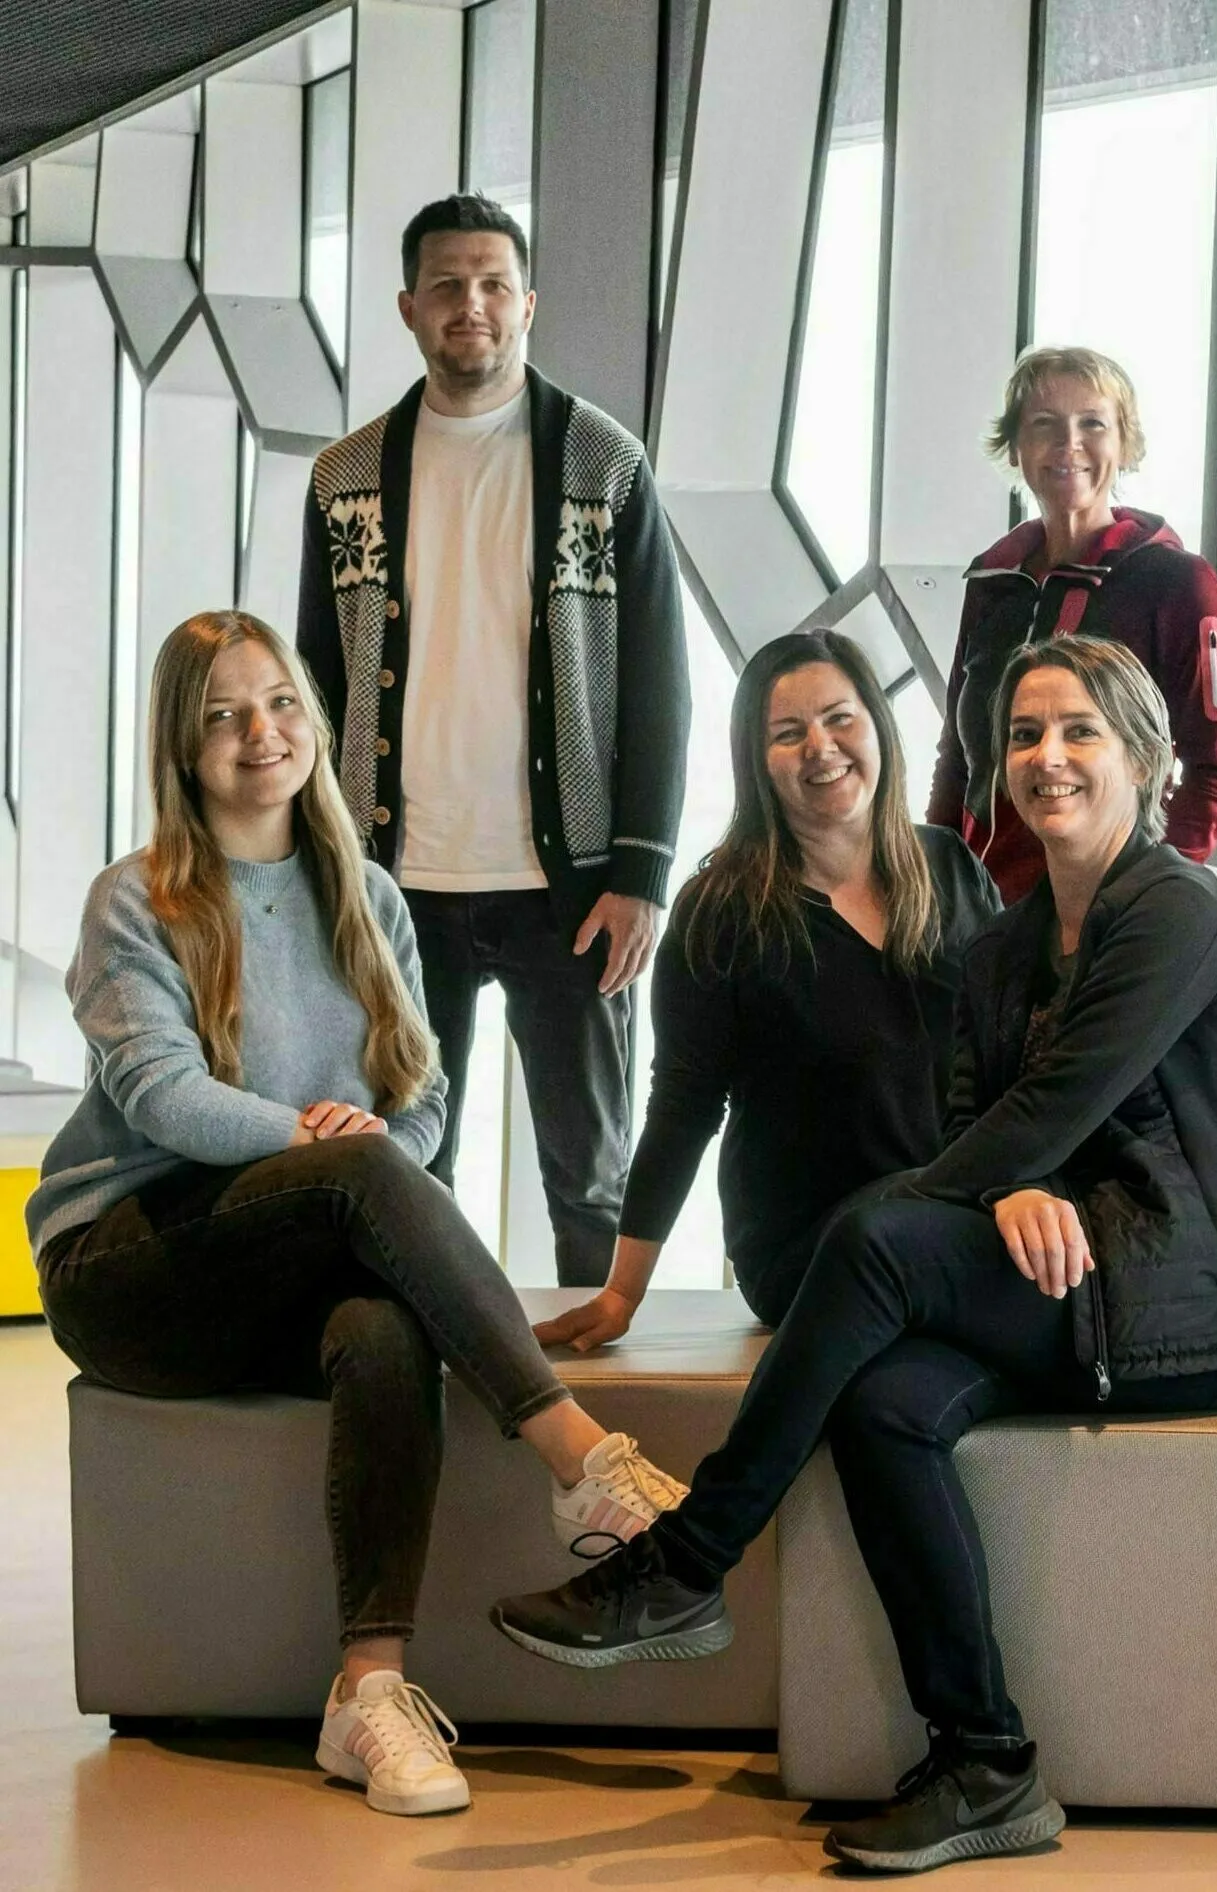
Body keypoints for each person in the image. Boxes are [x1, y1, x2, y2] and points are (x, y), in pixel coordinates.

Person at [494, 635, 1217, 1874]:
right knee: (881, 1402)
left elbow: (1048, 1108)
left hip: (1185, 1295)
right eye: (1025, 734)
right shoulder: (1009, 935)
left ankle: (688, 1559)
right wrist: (1010, 1191)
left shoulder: (1175, 908)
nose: (1047, 756)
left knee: (871, 1236)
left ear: (1142, 754)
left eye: (1078, 730)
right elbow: (985, 1108)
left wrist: (982, 1192)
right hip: (1068, 1283)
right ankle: (986, 1757)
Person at [27, 612, 689, 1821]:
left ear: (315, 722)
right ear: (183, 743)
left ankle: (367, 1697)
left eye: (278, 702)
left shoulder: (367, 894)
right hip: (129, 1263)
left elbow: (418, 1090)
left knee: (383, 1331)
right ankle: (580, 1461)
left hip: (290, 1235)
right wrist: (326, 1144)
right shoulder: (136, 899)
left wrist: (359, 1151)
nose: (258, 733)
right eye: (221, 713)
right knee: (364, 1166)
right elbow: (163, 1096)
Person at [295, 191, 690, 1288]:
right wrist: (320, 867)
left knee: (592, 1175)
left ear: (527, 303)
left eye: (491, 284)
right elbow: (312, 688)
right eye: (447, 286)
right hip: (395, 885)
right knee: (408, 1165)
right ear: (409, 307)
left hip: (571, 889)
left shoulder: (605, 464)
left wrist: (643, 871)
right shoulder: (346, 477)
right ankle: (439, 1385)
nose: (470, 305)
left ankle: (606, 1407)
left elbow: (662, 680)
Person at [533, 631, 998, 1352]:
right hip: (808, 1243)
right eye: (788, 733)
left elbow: (1011, 1053)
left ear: (877, 723)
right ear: (759, 762)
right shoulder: (722, 911)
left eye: (839, 718)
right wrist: (624, 1291)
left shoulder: (952, 868)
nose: (821, 746)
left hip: (945, 1219)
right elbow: (684, 1105)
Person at [926, 346, 1217, 903]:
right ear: (1017, 446)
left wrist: (1138, 897)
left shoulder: (1177, 583)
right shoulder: (992, 582)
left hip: (1106, 920)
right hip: (984, 919)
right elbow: (958, 759)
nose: (1067, 444)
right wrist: (932, 882)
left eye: (1092, 423)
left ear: (1124, 443)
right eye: (1044, 424)